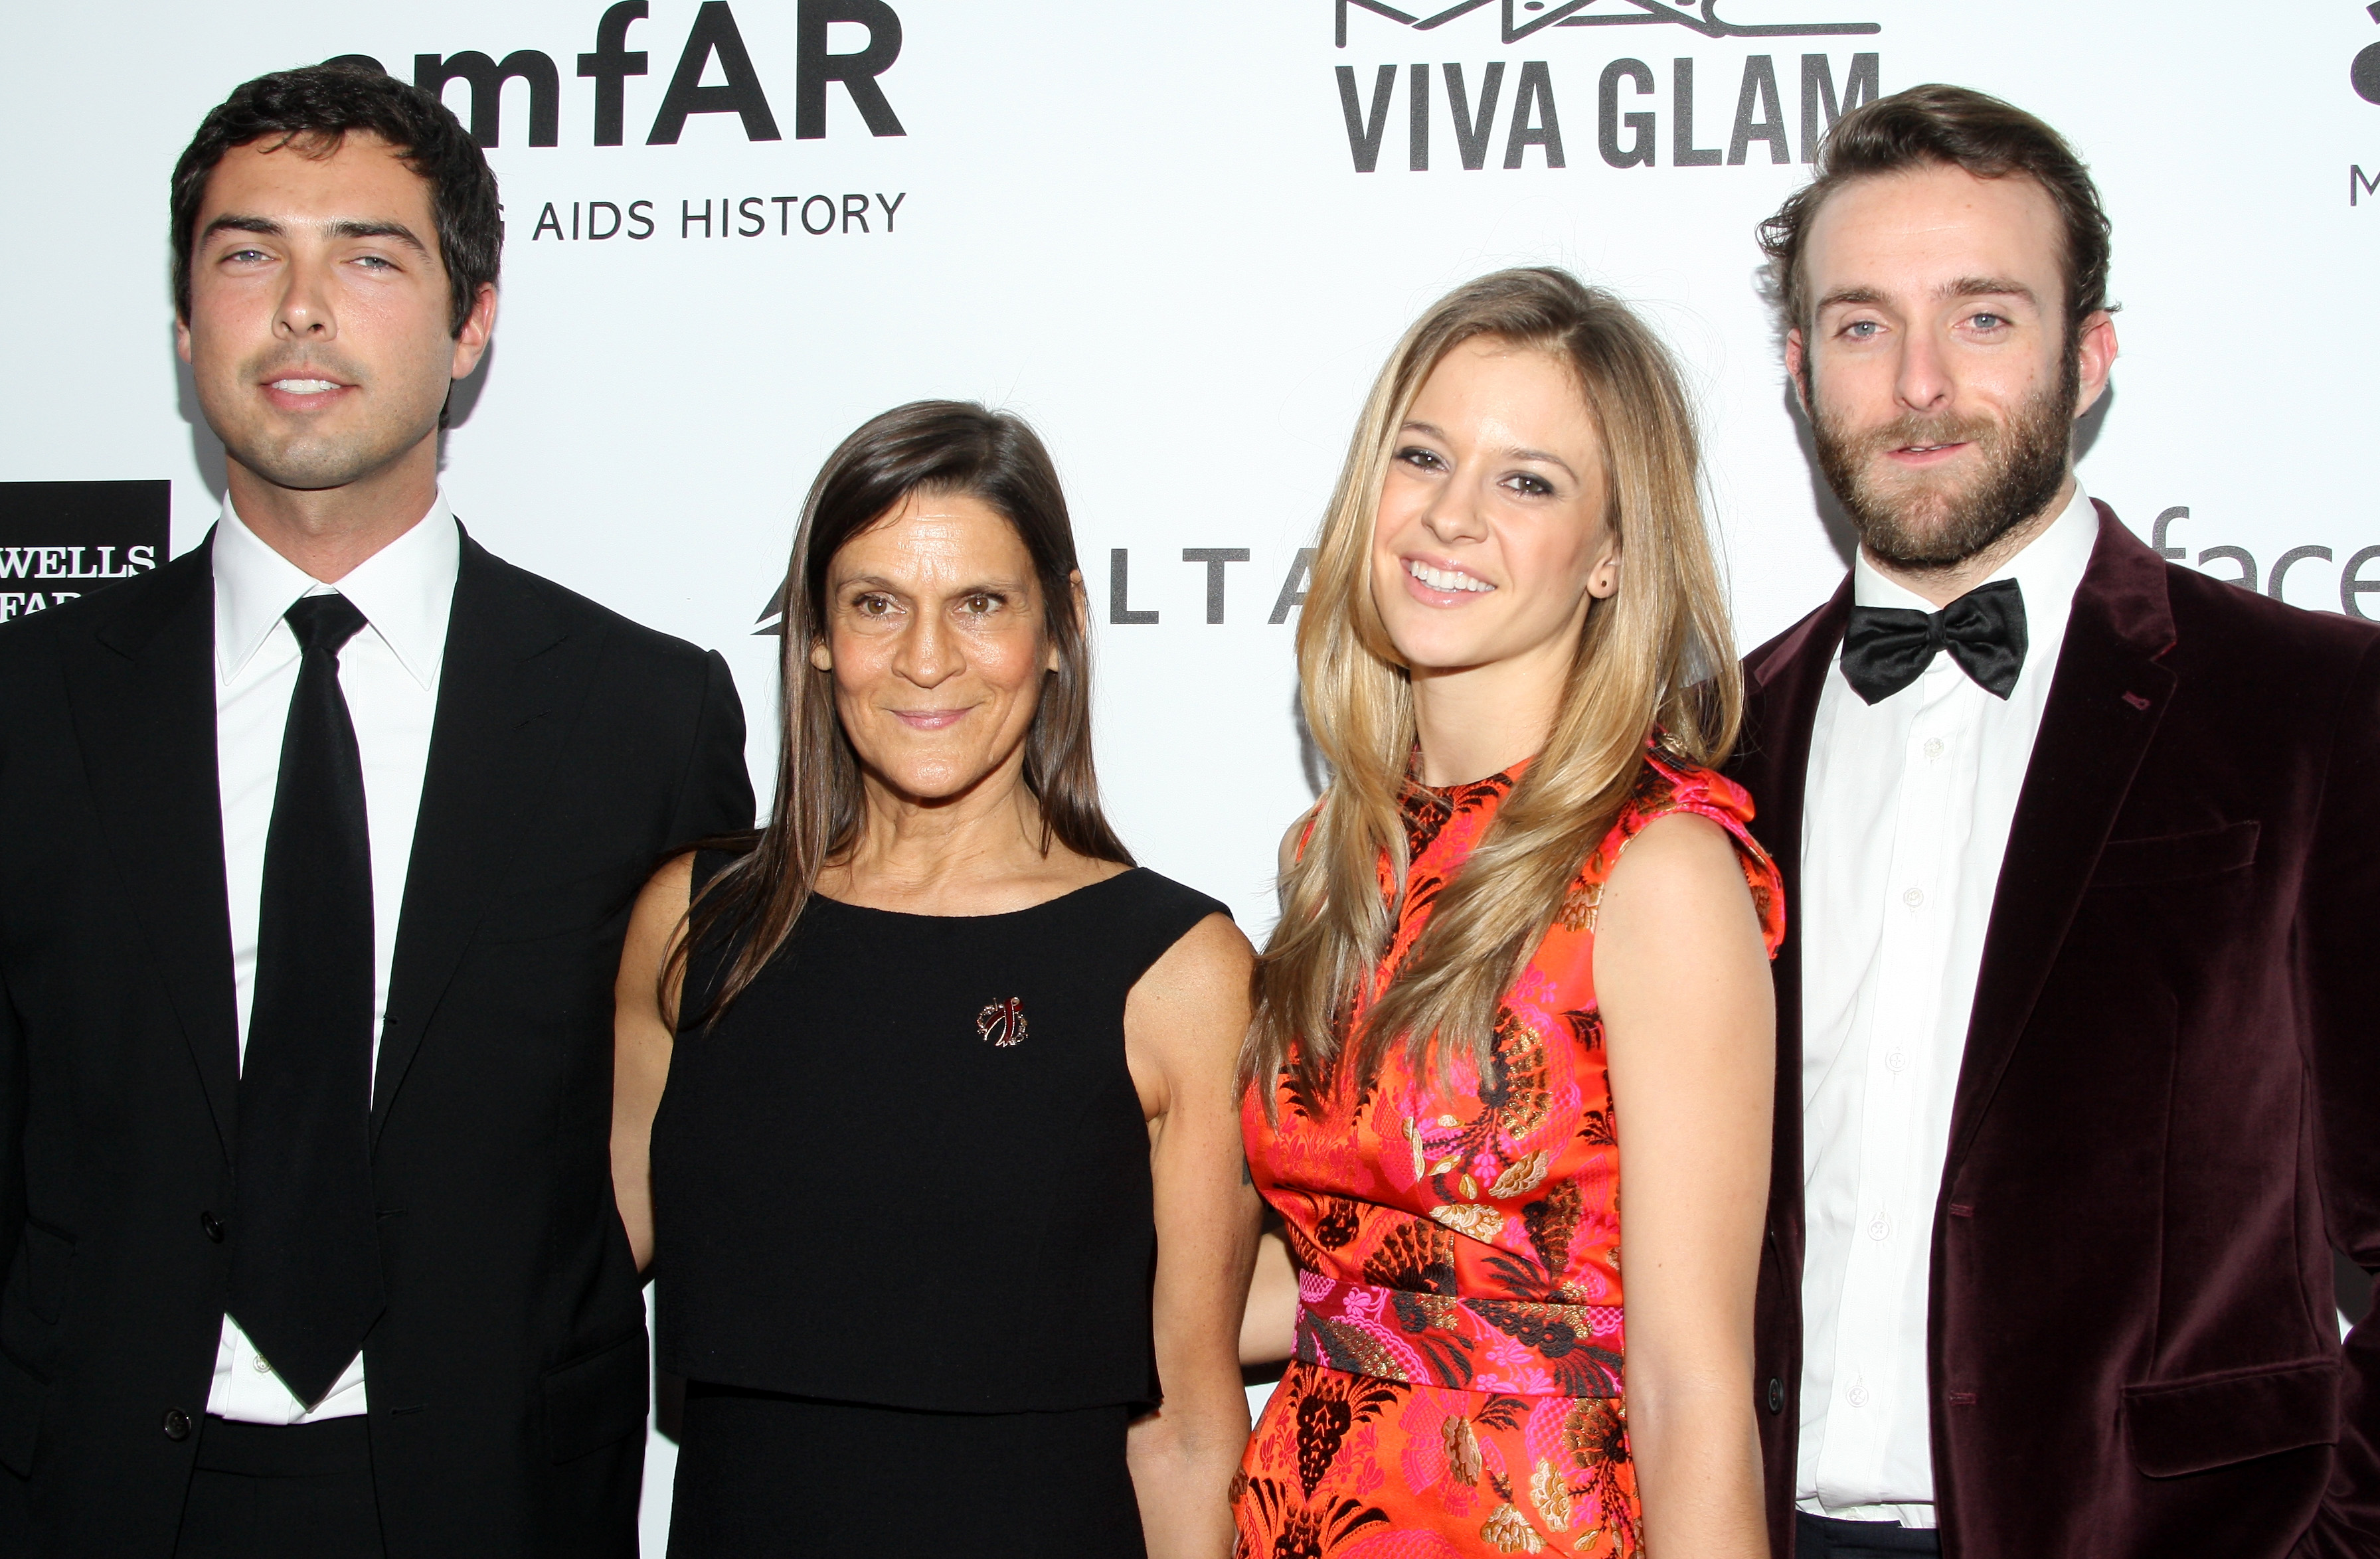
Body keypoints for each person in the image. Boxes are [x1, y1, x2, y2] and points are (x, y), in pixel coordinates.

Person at [0, 64, 753, 1556]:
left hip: (498, 1493)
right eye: (245, 254)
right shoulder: (30, 703)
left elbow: (697, 1146)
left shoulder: (643, 716)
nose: (298, 308)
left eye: (367, 256)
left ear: (473, 323)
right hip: (87, 1487)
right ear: (182, 325)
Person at [1731, 84, 2380, 1559]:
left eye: (1981, 318)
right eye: (1857, 325)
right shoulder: (1711, 743)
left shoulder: (2308, 705)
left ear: (2087, 358)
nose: (1914, 385)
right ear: (1795, 365)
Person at [610, 400, 1260, 1559]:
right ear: (814, 634)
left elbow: (1189, 1430)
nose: (924, 659)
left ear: (1059, 627)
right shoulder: (696, 922)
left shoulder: (1174, 973)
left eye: (980, 605)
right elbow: (563, 1273)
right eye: (875, 605)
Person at [1235, 268, 1784, 1559]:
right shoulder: (1330, 857)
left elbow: (1692, 1381)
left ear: (1609, 556)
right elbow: (1335, 1274)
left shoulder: (1656, 870)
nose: (1450, 514)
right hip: (1296, 1514)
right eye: (1421, 455)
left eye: (1526, 480)